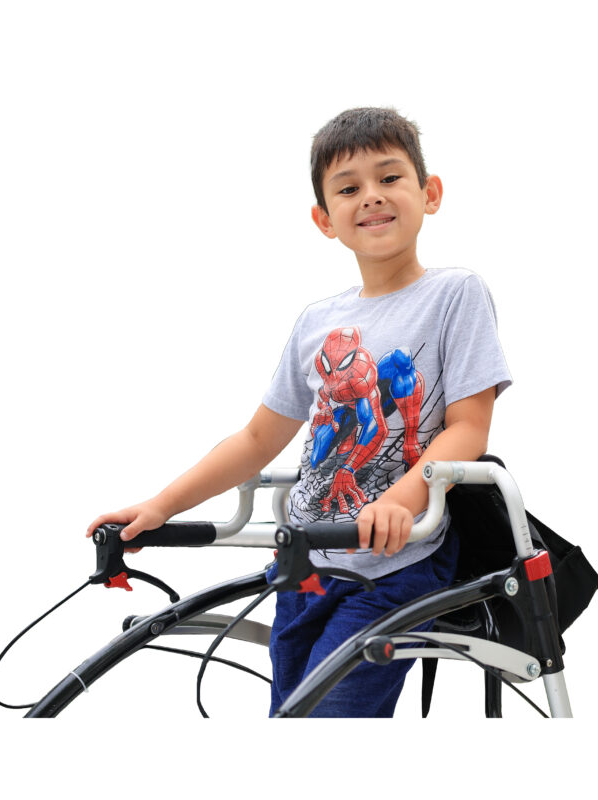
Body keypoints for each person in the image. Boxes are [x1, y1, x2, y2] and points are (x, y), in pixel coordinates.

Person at [87, 107, 512, 717]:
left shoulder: (454, 294)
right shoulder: (316, 322)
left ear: (430, 193)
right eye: (348, 188)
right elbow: (258, 439)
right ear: (324, 219)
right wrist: (160, 506)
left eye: (390, 178)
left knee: (329, 717)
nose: (371, 197)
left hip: (398, 564)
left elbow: (469, 427)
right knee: (287, 715)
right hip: (307, 563)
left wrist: (399, 501)